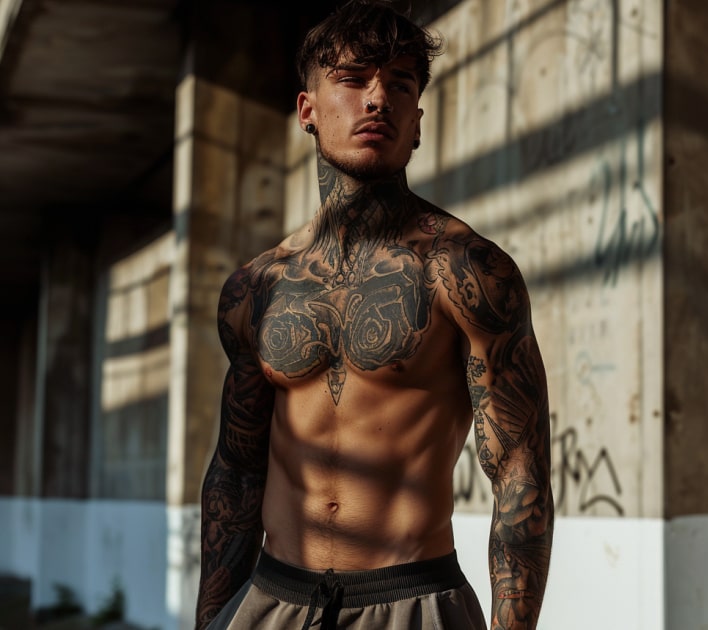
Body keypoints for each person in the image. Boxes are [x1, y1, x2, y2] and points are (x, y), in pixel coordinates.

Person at [194, 2, 554, 628]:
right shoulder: (256, 288)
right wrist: (210, 618)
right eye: (354, 79)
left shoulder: (465, 271)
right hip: (275, 600)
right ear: (307, 110)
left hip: (413, 601)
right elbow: (236, 470)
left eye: (401, 84)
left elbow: (520, 475)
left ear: (417, 123)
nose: (378, 98)